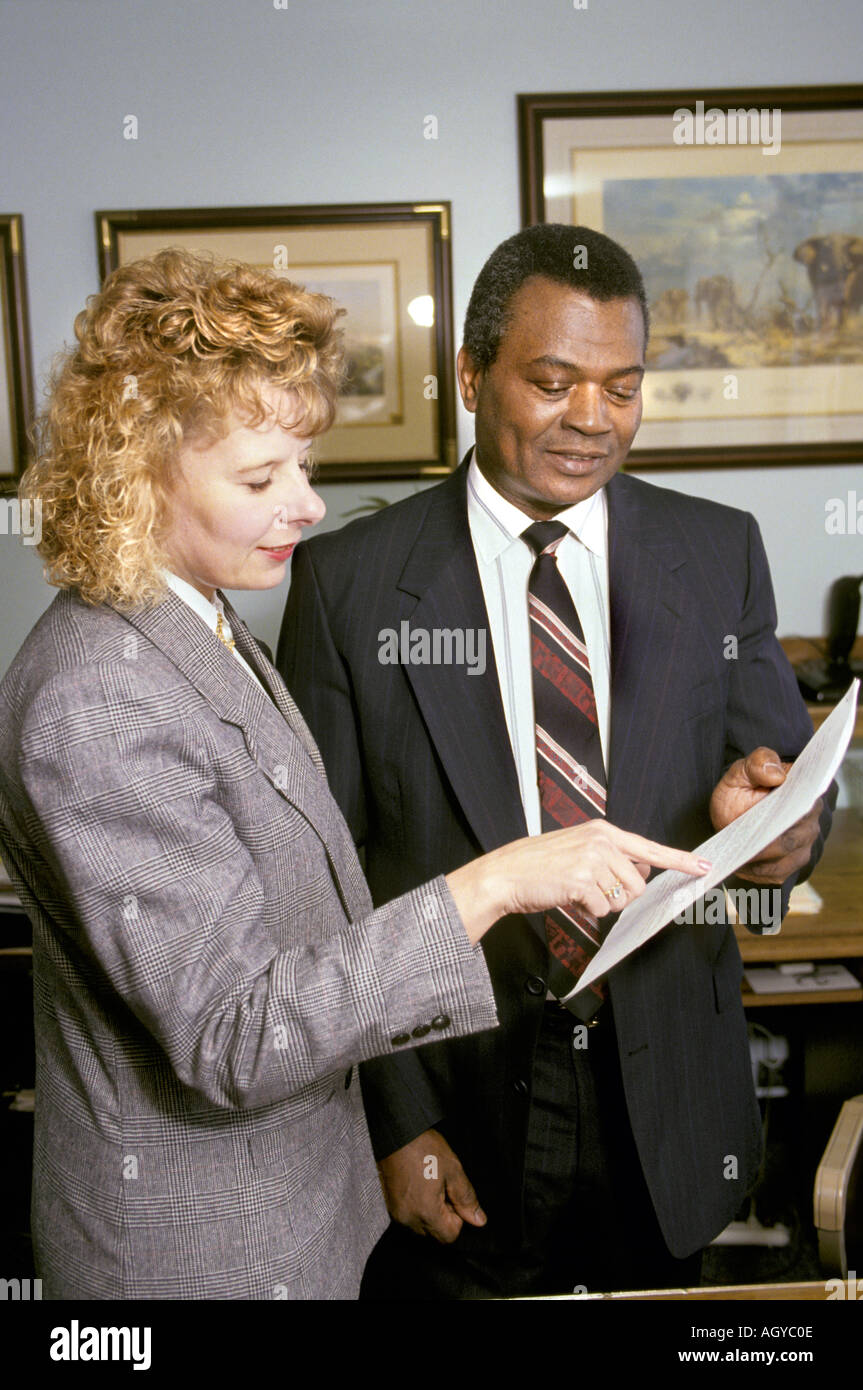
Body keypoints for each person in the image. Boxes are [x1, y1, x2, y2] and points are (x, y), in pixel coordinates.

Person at [0, 247, 708, 1301]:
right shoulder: (102, 693)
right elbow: (236, 1035)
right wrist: (496, 882)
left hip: (301, 1217)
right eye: (259, 478)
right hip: (202, 1257)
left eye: (303, 466)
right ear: (133, 466)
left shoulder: (192, 620)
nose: (307, 507)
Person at [277, 224, 833, 1300]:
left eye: (622, 388)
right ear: (471, 374)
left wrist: (770, 835)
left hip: (669, 1108)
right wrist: (396, 1123)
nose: (592, 419)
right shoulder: (346, 584)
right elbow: (321, 888)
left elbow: (787, 805)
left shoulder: (718, 551)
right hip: (458, 1107)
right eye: (552, 381)